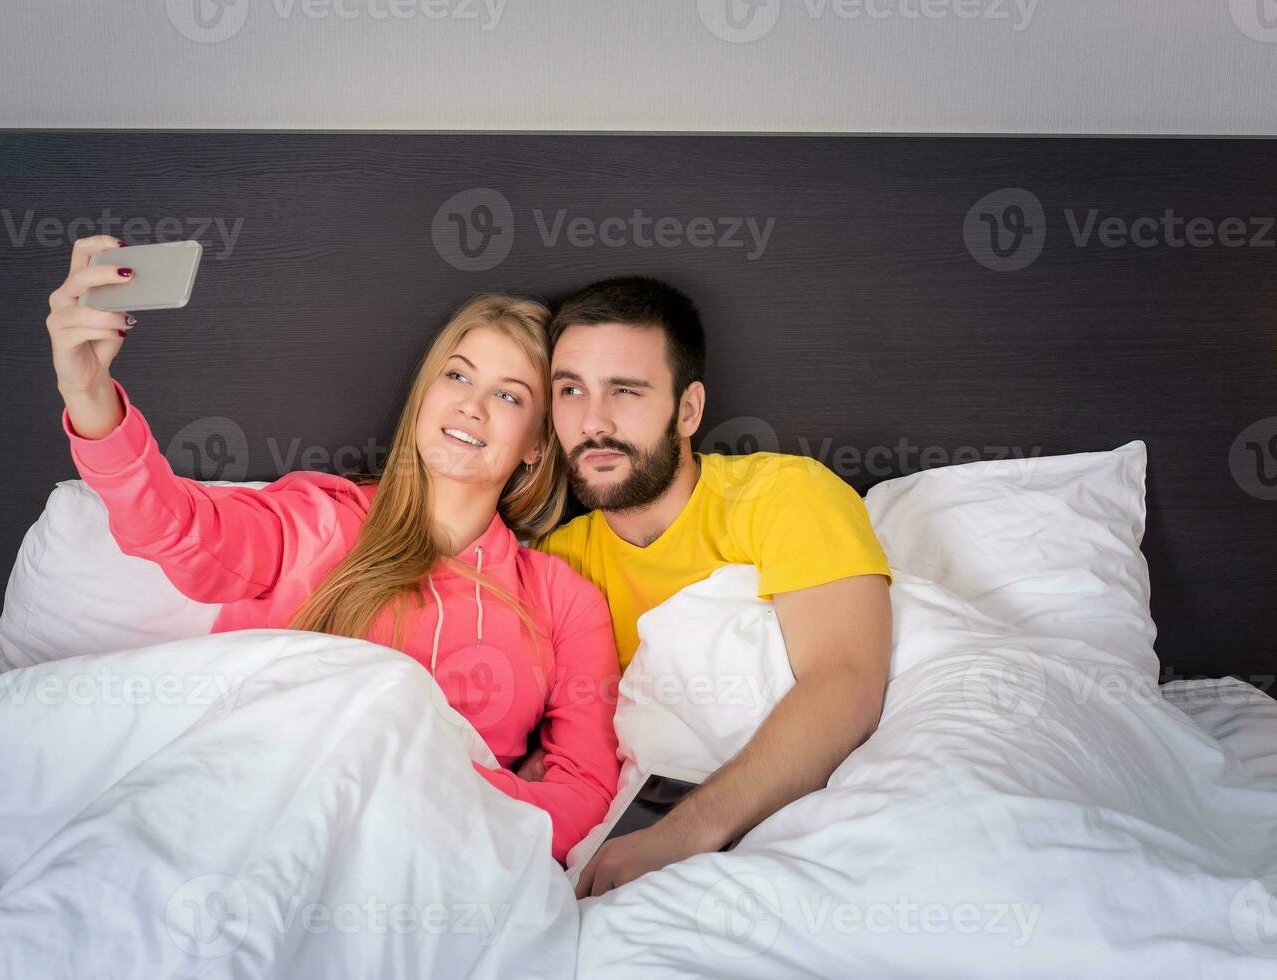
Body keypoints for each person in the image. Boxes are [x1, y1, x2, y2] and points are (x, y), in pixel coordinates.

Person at [44, 236, 621, 864]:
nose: (471, 406)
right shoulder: (317, 521)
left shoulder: (564, 603)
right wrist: (89, 394)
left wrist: (455, 794)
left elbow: (587, 795)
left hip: (427, 870)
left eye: (509, 395)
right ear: (426, 394)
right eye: (456, 374)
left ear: (538, 442)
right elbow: (176, 528)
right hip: (248, 830)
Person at [523, 275, 894, 895]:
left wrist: (682, 834)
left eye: (626, 391)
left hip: (787, 833)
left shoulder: (783, 496)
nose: (593, 421)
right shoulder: (558, 564)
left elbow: (847, 679)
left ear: (688, 409)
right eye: (570, 391)